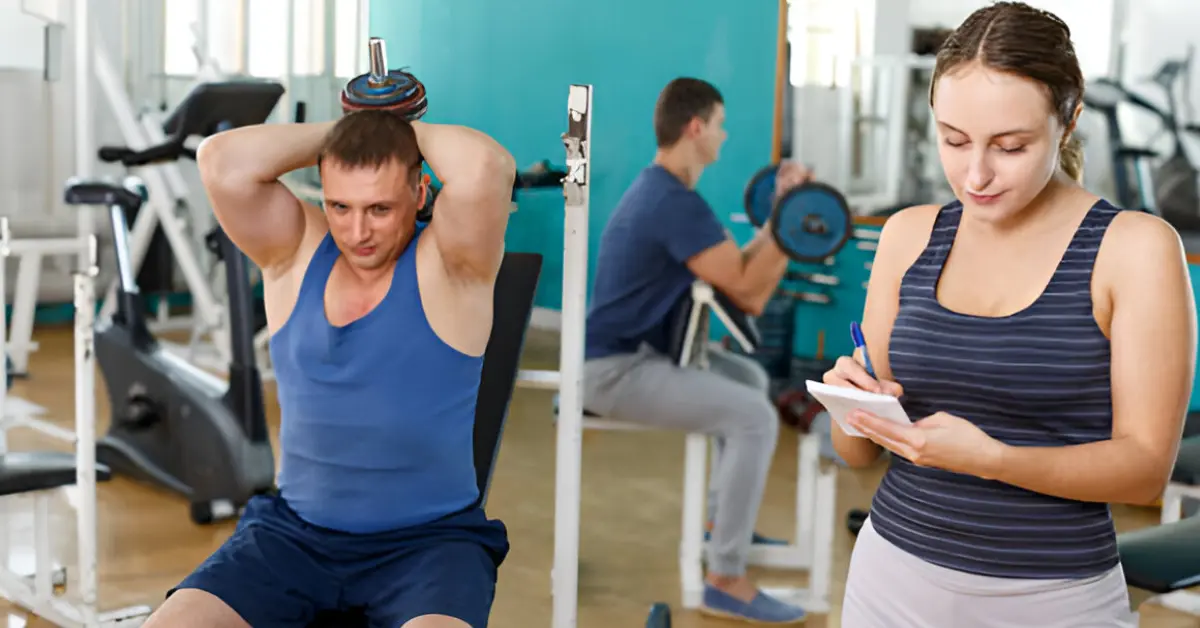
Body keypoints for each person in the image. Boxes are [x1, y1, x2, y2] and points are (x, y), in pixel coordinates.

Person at [822, 3, 1196, 626]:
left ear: (1069, 120)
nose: (975, 175)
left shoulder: (1134, 249)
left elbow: (1144, 473)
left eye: (1010, 146)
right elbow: (857, 455)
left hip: (1052, 600)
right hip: (889, 581)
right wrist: (852, 404)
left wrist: (992, 458)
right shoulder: (908, 236)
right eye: (954, 140)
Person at [140, 109, 517, 627]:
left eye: (379, 208)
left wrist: (400, 127)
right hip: (293, 537)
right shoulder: (296, 253)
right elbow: (221, 161)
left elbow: (486, 168)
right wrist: (349, 127)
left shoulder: (451, 265)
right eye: (340, 205)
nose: (357, 231)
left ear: (420, 195)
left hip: (429, 547)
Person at [582, 77, 812, 624]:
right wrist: (793, 221)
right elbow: (752, 294)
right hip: (615, 371)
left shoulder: (665, 192)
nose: (726, 136)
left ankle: (720, 524)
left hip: (641, 357)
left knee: (751, 382)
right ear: (696, 127)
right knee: (755, 417)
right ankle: (726, 578)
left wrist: (783, 212)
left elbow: (737, 270)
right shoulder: (671, 202)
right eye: (721, 125)